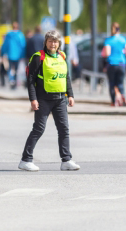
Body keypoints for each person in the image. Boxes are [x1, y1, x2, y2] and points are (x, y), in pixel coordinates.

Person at [19, 30, 79, 172]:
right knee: (39, 129)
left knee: (64, 129)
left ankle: (66, 160)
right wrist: (33, 99)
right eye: (50, 41)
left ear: (59, 44)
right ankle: (25, 160)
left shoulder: (62, 56)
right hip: (43, 99)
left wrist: (70, 95)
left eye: (56, 41)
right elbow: (30, 80)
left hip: (60, 100)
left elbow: (66, 77)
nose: (53, 44)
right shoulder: (38, 57)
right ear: (46, 42)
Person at [103, 23, 126, 106]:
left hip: (111, 63)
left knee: (112, 83)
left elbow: (107, 53)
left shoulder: (108, 40)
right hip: (122, 63)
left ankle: (113, 101)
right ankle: (122, 95)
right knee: (120, 83)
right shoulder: (124, 39)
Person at [1, 22, 26, 89]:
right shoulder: (20, 35)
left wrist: (3, 53)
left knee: (10, 68)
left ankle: (11, 80)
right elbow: (23, 46)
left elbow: (5, 45)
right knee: (16, 69)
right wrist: (23, 55)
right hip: (18, 55)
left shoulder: (8, 35)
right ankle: (15, 80)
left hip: (10, 54)